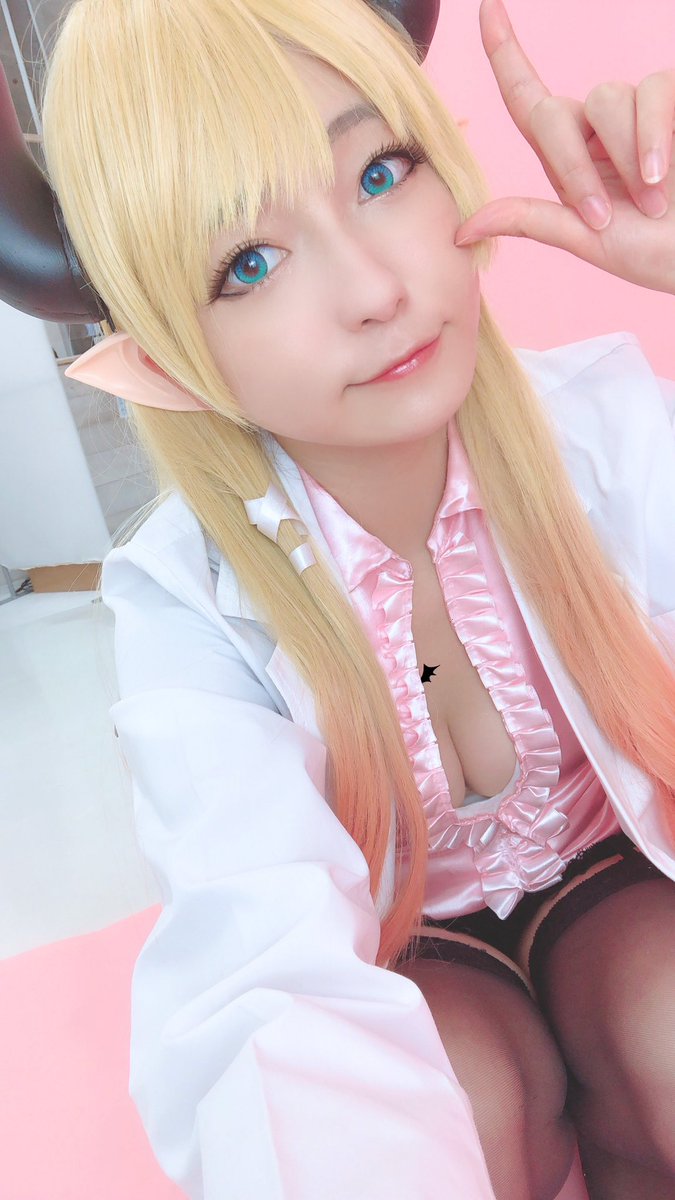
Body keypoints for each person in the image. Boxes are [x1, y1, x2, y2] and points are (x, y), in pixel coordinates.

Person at [1, 0, 675, 1196]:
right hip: (405, 951)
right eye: (248, 264)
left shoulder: (605, 429)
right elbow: (262, 967)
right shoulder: (184, 602)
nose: (373, 288)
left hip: (616, 885)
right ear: (158, 358)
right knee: (450, 1108)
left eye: (379, 172)